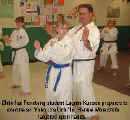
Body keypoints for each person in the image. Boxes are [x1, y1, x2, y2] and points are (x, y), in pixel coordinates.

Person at [34, 22, 75, 119]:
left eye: (66, 28)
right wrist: (38, 48)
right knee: (50, 94)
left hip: (64, 71)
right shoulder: (52, 41)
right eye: (61, 28)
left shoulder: (69, 41)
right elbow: (44, 57)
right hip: (53, 71)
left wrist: (55, 45)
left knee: (65, 98)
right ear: (56, 29)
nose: (64, 30)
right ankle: (51, 115)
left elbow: (66, 54)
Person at [68, 4, 100, 120]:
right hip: (73, 63)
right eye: (79, 13)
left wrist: (86, 40)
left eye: (83, 14)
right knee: (72, 84)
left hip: (85, 64)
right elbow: (66, 36)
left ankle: (92, 114)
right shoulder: (77, 28)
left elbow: (92, 48)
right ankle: (75, 103)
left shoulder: (93, 29)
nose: (81, 16)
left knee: (84, 87)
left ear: (90, 15)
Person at [3, 16, 31, 96]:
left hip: (21, 53)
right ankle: (16, 83)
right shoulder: (14, 32)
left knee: (24, 71)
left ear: (22, 23)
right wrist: (6, 40)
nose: (17, 23)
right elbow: (10, 42)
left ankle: (27, 90)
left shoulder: (23, 32)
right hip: (15, 53)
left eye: (19, 22)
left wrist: (9, 41)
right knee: (15, 69)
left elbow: (20, 43)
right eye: (16, 22)